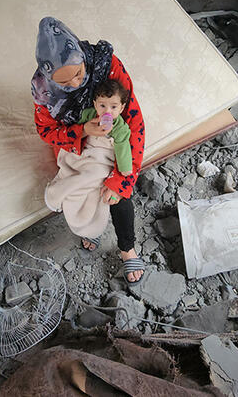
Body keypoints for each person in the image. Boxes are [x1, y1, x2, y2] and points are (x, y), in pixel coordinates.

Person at [32, 17, 146, 284]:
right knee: (78, 185)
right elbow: (46, 132)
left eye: (79, 74)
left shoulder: (107, 66)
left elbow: (133, 122)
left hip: (113, 142)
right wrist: (82, 131)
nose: (74, 84)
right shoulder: (44, 91)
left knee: (116, 190)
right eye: (64, 82)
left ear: (83, 58)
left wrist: (122, 179)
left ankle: (127, 247)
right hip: (77, 141)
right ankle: (88, 226)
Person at [44, 80, 133, 259]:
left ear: (122, 108)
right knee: (75, 170)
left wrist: (124, 170)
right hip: (86, 154)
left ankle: (93, 228)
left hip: (102, 159)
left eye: (113, 107)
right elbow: (76, 132)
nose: (107, 112)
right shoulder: (89, 115)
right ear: (95, 104)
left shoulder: (121, 128)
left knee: (96, 184)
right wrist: (84, 130)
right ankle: (60, 196)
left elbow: (122, 149)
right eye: (102, 106)